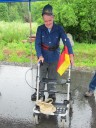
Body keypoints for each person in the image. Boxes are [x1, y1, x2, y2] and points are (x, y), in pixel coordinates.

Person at [31, 4, 74, 101]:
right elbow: (37, 43)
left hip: (55, 55)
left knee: (52, 76)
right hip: (43, 56)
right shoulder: (40, 29)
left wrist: (71, 54)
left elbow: (66, 41)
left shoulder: (59, 28)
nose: (48, 23)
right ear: (43, 19)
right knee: (41, 75)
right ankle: (40, 92)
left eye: (50, 20)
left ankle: (51, 93)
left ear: (53, 17)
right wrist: (40, 55)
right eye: (45, 21)